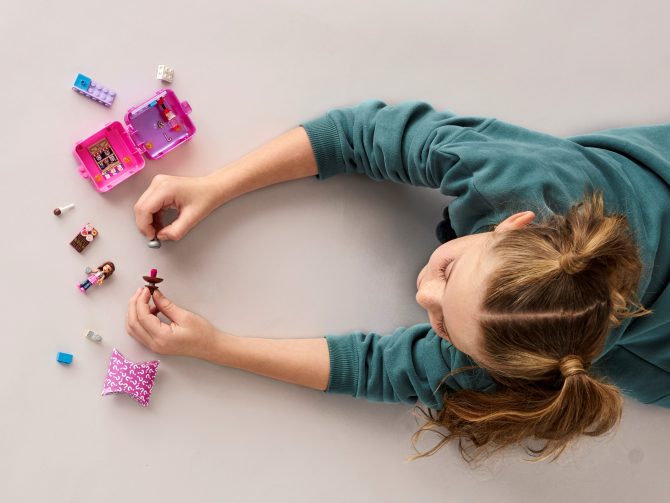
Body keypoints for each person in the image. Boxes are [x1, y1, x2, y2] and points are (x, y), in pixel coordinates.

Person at [126, 100, 670, 462]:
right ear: (512, 222)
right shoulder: (517, 176)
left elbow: (376, 368)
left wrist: (216, 347)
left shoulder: (521, 369)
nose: (421, 292)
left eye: (446, 330)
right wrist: (214, 186)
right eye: (449, 273)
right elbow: (362, 135)